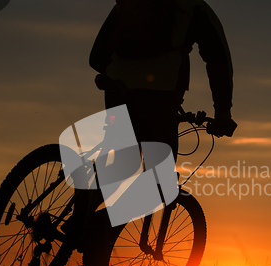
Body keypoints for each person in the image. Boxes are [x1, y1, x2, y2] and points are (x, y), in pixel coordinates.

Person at [89, 0, 237, 158]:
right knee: (159, 172)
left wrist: (118, 73)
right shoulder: (193, 6)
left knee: (119, 164)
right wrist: (223, 113)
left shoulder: (128, 3)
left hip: (117, 90)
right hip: (162, 95)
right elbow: (219, 62)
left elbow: (96, 58)